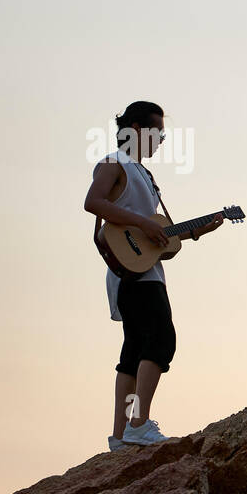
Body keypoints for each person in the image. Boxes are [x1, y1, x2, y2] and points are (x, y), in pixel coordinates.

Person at [84, 101, 223, 449]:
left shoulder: (144, 175)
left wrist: (195, 232)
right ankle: (139, 423)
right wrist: (144, 222)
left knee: (134, 350)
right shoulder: (114, 163)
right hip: (134, 274)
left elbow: (159, 240)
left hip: (142, 269)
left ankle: (121, 435)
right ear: (135, 128)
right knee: (162, 339)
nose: (160, 139)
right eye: (156, 132)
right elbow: (93, 202)